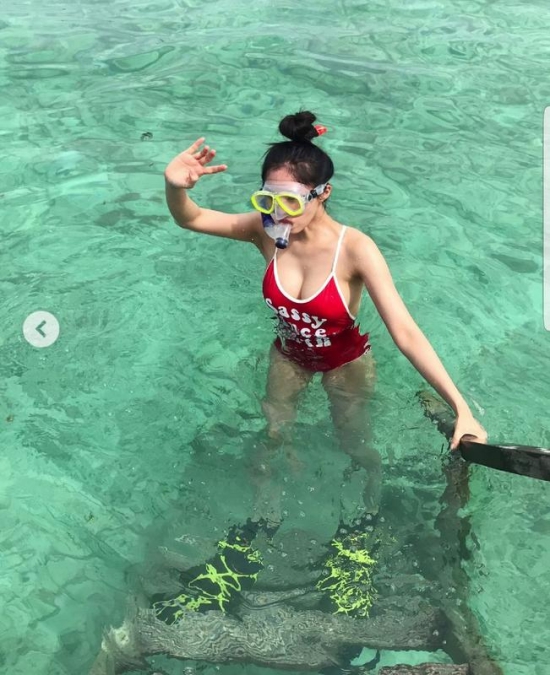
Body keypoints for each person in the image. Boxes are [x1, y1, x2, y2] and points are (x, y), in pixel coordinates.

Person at [164, 110, 487, 512]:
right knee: (274, 436)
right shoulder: (265, 231)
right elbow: (192, 217)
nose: (278, 213)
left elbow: (405, 332)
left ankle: (369, 500)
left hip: (344, 362)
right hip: (288, 356)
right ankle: (266, 509)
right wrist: (174, 185)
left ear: (323, 193)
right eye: (267, 200)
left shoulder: (355, 249)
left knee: (354, 444)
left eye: (290, 201)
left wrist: (461, 408)